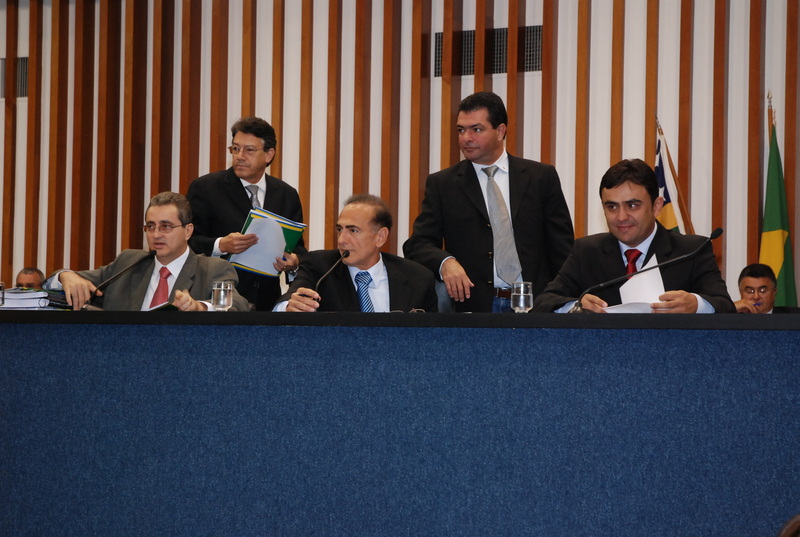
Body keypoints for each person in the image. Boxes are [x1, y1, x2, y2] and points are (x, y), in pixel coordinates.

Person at [403, 91, 574, 313]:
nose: (466, 138)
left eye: (476, 129)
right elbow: (417, 244)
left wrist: (564, 302)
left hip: (535, 304)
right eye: (461, 130)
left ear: (500, 131)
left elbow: (562, 248)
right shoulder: (443, 184)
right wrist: (446, 262)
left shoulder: (540, 178)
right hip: (475, 307)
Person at [533, 158, 735, 313]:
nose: (621, 217)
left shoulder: (692, 251)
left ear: (656, 206)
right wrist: (576, 306)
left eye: (632, 205)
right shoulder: (586, 251)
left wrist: (696, 304)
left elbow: (725, 306)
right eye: (612, 207)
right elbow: (545, 302)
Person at [44, 192, 248, 311]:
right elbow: (67, 280)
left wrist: (200, 307)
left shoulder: (212, 269)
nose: (156, 234)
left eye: (166, 226)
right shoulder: (128, 262)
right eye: (150, 226)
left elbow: (237, 305)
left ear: (188, 230)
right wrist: (65, 276)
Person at [186, 116, 306, 310]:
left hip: (267, 301)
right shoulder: (205, 188)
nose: (240, 156)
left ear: (269, 154)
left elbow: (298, 249)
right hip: (219, 300)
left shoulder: (286, 194)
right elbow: (187, 241)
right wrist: (221, 245)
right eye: (235, 148)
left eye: (249, 150)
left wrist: (293, 263)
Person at [275, 194, 438, 313]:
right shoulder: (319, 267)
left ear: (380, 237)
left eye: (353, 230)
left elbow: (433, 337)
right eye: (340, 229)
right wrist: (289, 307)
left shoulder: (418, 278)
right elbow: (289, 299)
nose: (342, 240)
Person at [734, 263, 800, 313]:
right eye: (750, 291)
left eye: (762, 290)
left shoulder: (794, 317)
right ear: (740, 292)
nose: (756, 297)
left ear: (774, 292)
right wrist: (731, 309)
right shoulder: (731, 318)